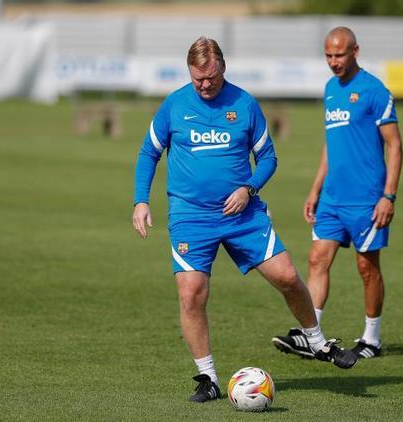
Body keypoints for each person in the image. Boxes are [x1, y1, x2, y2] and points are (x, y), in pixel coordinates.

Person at [132, 36, 357, 404]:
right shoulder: (174, 105)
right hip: (192, 217)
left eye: (211, 78)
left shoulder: (244, 103)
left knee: (286, 276)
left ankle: (317, 343)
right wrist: (141, 200)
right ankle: (207, 377)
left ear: (223, 68)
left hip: (243, 215)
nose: (204, 85)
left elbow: (268, 158)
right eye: (197, 79)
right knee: (191, 294)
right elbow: (149, 153)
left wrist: (249, 188)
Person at [273, 27, 403, 360]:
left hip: (366, 199)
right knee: (317, 259)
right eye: (328, 55)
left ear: (355, 51)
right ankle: (312, 336)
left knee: (366, 267)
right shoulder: (330, 89)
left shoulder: (375, 91)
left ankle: (371, 339)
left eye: (340, 55)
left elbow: (395, 145)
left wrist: (388, 196)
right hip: (332, 198)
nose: (333, 62)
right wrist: (315, 190)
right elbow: (330, 147)